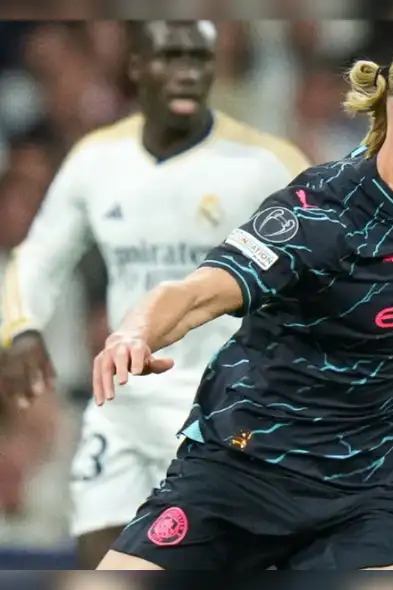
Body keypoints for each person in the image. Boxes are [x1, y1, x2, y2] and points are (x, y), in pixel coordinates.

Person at [89, 33, 393, 570]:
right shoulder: (321, 214)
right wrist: (133, 334)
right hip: (242, 472)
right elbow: (198, 293)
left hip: (371, 498)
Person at [0, 20, 312, 569]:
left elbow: (325, 259)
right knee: (103, 554)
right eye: (171, 57)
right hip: (121, 397)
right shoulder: (96, 159)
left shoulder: (266, 162)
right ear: (137, 68)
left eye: (199, 58)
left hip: (224, 399)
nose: (187, 71)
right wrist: (20, 329)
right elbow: (40, 254)